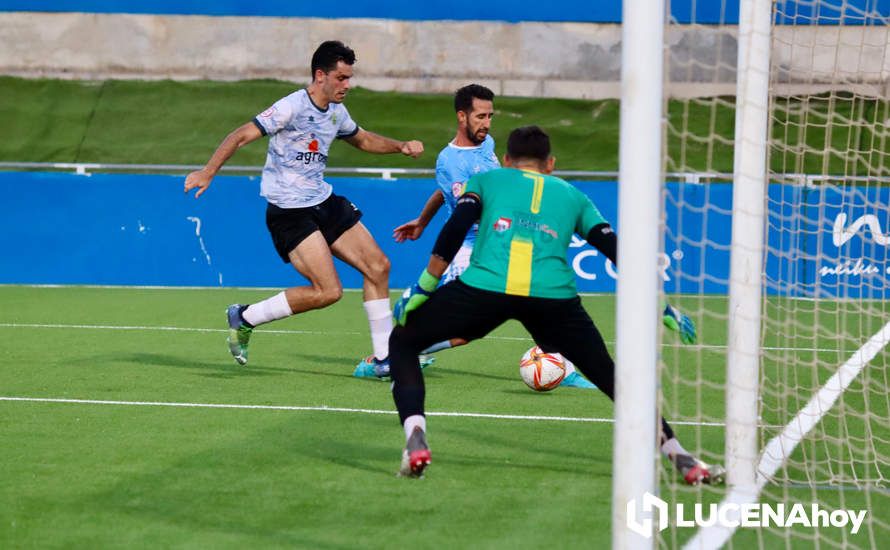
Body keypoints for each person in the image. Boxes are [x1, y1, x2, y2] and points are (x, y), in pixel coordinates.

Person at [388, 125, 723, 484]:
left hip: (484, 289)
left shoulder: (488, 181)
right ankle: (680, 456)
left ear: (506, 160)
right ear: (550, 164)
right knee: (611, 377)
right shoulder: (574, 196)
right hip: (553, 299)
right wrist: (662, 307)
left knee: (402, 342)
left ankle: (415, 439)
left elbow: (455, 227)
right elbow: (617, 251)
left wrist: (424, 286)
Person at [183, 40, 423, 372]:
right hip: (289, 211)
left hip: (323, 201)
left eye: (349, 78)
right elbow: (240, 135)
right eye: (341, 78)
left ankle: (384, 359)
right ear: (320, 75)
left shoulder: (337, 112)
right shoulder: (291, 107)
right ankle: (245, 316)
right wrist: (208, 171)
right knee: (328, 292)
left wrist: (401, 147)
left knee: (379, 267)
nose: (347, 85)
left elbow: (363, 139)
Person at [392, 84, 598, 388]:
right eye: (480, 116)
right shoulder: (450, 161)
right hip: (470, 249)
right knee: (461, 327)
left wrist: (422, 220)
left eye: (490, 116)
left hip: (496, 243)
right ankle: (390, 357)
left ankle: (562, 365)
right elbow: (470, 206)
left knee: (536, 296)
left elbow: (442, 192)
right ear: (462, 116)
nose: (487, 123)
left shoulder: (486, 144)